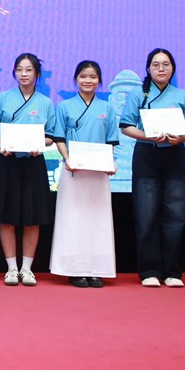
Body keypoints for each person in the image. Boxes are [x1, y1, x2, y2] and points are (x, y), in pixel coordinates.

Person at [119, 48, 185, 288]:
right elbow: (125, 126)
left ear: (173, 69)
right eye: (156, 64)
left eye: (166, 64)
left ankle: (172, 271)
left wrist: (180, 137)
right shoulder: (138, 94)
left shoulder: (181, 95)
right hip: (146, 155)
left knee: (176, 215)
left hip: (174, 155)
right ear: (148, 68)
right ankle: (149, 270)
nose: (161, 68)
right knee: (146, 215)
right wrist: (147, 135)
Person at [0, 53, 56, 287]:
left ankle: (27, 269)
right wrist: (1, 144)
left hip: (33, 163)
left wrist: (39, 144)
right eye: (19, 70)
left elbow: (50, 136)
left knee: (32, 217)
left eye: (28, 70)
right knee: (7, 216)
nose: (23, 74)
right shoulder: (3, 98)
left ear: (37, 74)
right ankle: (12, 269)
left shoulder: (45, 102)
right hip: (7, 161)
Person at [51, 60, 119, 288]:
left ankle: (96, 269)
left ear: (99, 81)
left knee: (98, 220)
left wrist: (110, 162)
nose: (87, 80)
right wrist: (68, 158)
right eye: (83, 76)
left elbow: (111, 141)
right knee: (73, 219)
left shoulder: (107, 108)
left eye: (92, 77)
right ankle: (74, 270)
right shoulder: (65, 106)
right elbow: (59, 137)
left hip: (98, 173)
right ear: (76, 79)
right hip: (74, 171)